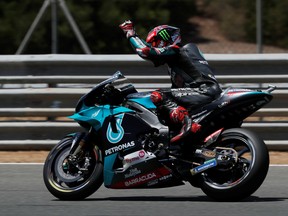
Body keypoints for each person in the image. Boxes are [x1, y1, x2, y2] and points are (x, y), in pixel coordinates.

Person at [119, 20, 222, 144]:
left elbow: (145, 51)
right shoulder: (177, 62)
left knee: (158, 95)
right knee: (164, 107)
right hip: (203, 91)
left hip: (203, 90)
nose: (155, 46)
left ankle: (188, 124)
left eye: (156, 43)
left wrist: (130, 33)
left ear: (164, 38)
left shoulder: (176, 50)